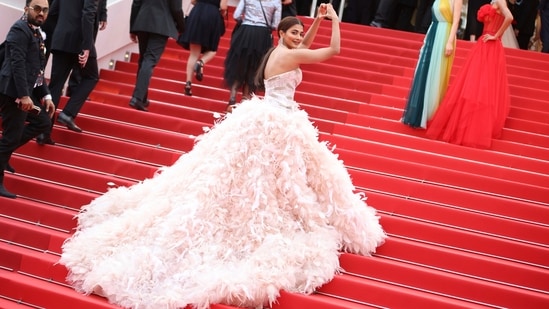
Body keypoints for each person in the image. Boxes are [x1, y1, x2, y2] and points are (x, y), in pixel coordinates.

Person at [59, 5, 386, 309]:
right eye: (295, 32)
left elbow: (306, 41)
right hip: (279, 122)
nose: (300, 37)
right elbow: (333, 51)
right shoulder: (289, 55)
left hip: (271, 118)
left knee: (261, 176)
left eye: (301, 33)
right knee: (267, 179)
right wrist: (337, 23)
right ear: (282, 34)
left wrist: (316, 22)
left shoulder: (280, 51)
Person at [426, 0, 513, 148]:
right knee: (475, 85)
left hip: (490, 46)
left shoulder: (500, 0)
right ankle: (468, 125)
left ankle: (475, 129)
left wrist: (496, 35)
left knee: (481, 86)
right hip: (484, 44)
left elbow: (509, 17)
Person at [0, 0, 55, 198]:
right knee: (11, 136)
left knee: (42, 122)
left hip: (25, 90)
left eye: (45, 10)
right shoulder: (19, 30)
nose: (42, 13)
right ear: (27, 9)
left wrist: (46, 95)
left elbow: (37, 70)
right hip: (12, 91)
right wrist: (24, 95)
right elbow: (17, 64)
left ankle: (3, 155)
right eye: (37, 9)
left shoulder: (36, 33)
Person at [38, 0, 99, 144]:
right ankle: (68, 113)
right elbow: (88, 14)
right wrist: (86, 45)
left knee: (56, 85)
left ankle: (43, 132)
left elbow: (53, 12)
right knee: (91, 77)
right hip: (79, 40)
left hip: (61, 39)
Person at [401, 0, 462, 129]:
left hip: (445, 35)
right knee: (424, 69)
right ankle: (420, 111)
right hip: (433, 32)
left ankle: (431, 113)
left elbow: (456, 21)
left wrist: (450, 42)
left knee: (436, 73)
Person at [127, 0, 185, 111]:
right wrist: (182, 27)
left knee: (144, 59)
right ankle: (137, 97)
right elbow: (176, 8)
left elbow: (136, 3)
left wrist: (133, 28)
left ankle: (142, 97)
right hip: (161, 25)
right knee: (150, 59)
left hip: (143, 21)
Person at [224, 0, 281, 112]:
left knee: (238, 64)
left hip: (245, 32)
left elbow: (236, 15)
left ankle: (232, 97)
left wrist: (246, 20)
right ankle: (245, 100)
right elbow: (275, 24)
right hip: (262, 35)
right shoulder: (276, 2)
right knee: (254, 67)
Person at [177, 0, 228, 96]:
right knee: (212, 50)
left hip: (197, 12)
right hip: (212, 15)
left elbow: (192, 1)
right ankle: (201, 62)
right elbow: (223, 6)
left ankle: (188, 84)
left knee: (193, 54)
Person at [66, 0, 108, 98]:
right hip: (77, 15)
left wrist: (103, 14)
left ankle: (76, 85)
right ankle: (74, 86)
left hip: (92, 16)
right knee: (82, 51)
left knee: (85, 52)